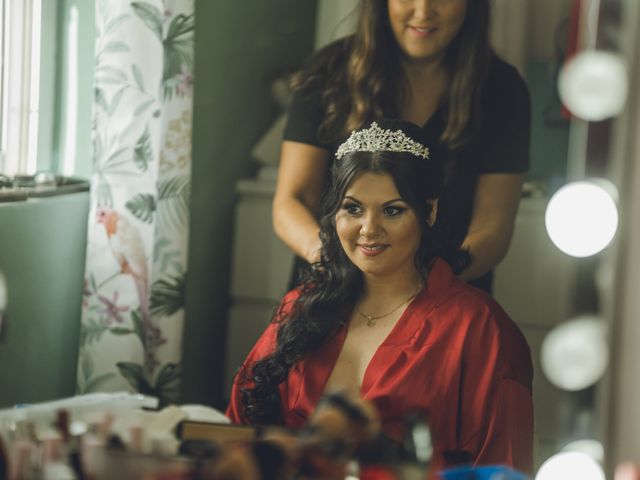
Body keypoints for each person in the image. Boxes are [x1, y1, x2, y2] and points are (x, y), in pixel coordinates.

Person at [228, 119, 534, 474]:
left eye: (392, 210)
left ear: (429, 211)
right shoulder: (300, 306)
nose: (369, 229)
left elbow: (505, 468)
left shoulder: (480, 327)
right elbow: (236, 436)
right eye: (353, 208)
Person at [273, 0, 531, 293]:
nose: (422, 12)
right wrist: (333, 262)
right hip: (330, 290)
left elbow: (493, 224)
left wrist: (431, 280)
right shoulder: (328, 72)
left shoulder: (503, 88)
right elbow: (291, 202)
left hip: (445, 296)